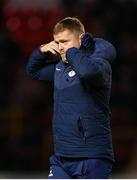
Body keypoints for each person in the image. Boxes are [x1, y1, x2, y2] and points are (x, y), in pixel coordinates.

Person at [26, 17, 116, 179]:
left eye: (65, 41)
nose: (60, 48)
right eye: (57, 42)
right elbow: (33, 71)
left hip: (92, 157)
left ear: (81, 39)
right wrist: (41, 50)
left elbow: (88, 72)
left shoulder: (100, 64)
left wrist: (73, 51)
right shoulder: (60, 69)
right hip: (62, 157)